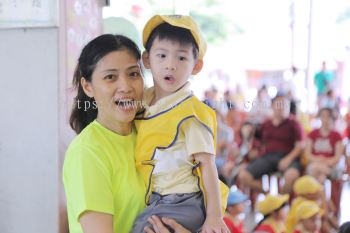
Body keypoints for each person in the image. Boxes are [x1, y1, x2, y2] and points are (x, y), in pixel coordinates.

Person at [62, 34, 191, 233]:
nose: (126, 87)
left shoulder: (149, 133)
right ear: (88, 87)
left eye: (133, 74)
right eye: (110, 77)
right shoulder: (87, 152)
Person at [132, 15, 229, 233]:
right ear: (147, 60)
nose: (170, 65)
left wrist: (214, 216)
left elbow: (208, 165)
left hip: (183, 202)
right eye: (162, 55)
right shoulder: (144, 102)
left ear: (197, 65)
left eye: (182, 58)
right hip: (157, 198)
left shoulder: (192, 114)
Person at [238, 93, 303, 194]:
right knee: (243, 176)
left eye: (285, 104)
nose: (282, 107)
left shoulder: (294, 124)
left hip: (288, 156)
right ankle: (269, 196)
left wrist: (288, 159)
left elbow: (300, 146)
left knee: (292, 175)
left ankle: (281, 202)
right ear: (272, 106)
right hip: (268, 157)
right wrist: (248, 132)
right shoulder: (266, 124)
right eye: (279, 104)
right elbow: (254, 139)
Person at [304, 107, 344, 184]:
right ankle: (322, 196)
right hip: (315, 164)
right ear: (320, 117)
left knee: (315, 169)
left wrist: (324, 162)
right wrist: (318, 160)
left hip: (331, 167)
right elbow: (307, 154)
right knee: (321, 177)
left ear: (332, 118)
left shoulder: (337, 136)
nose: (325, 118)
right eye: (323, 116)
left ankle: (316, 195)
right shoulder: (313, 134)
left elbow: (337, 158)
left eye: (328, 116)